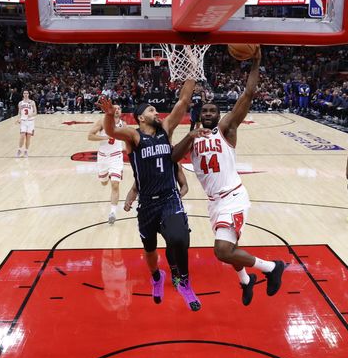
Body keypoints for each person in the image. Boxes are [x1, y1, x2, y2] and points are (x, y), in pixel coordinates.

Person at [171, 46, 286, 307]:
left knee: (222, 250)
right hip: (214, 203)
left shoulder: (226, 130)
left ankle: (271, 268)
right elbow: (172, 159)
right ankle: (245, 281)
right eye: (205, 112)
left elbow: (248, 94)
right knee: (230, 248)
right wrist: (189, 137)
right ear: (199, 116)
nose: (209, 113)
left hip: (233, 196)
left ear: (220, 116)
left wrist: (255, 64)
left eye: (213, 111)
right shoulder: (193, 138)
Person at [98, 78, 202, 312]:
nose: (157, 113)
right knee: (151, 253)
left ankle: (184, 282)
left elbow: (183, 101)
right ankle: (157, 276)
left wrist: (191, 74)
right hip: (147, 204)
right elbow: (112, 130)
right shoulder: (134, 137)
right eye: (152, 110)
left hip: (169, 198)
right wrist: (107, 114)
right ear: (141, 118)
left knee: (179, 239)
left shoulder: (165, 130)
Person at [88, 103, 125, 224]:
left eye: (119, 108)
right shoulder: (102, 122)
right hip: (103, 157)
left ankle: (113, 212)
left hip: (116, 157)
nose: (117, 110)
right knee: (104, 183)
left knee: (115, 184)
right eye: (115, 108)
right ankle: (107, 176)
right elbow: (90, 136)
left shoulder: (123, 125)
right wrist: (105, 138)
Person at [16, 90, 37, 157]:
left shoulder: (32, 102)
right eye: (24, 93)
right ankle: (19, 150)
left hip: (31, 121)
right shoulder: (20, 103)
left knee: (28, 137)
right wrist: (18, 119)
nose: (25, 94)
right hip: (23, 121)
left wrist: (32, 115)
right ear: (23, 94)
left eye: (27, 93)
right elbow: (19, 113)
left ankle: (26, 151)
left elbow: (35, 112)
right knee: (22, 136)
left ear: (28, 94)